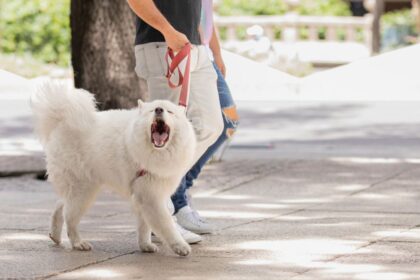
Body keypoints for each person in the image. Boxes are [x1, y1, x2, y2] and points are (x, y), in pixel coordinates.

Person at [127, 0, 238, 243]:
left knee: (212, 125)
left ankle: (161, 194)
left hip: (195, 48)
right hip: (161, 44)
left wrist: (215, 52)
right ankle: (159, 214)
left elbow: (202, 9)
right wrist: (167, 30)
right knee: (164, 135)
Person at [170, 0, 239, 235]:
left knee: (227, 122)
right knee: (193, 125)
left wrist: (217, 52)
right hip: (186, 49)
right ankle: (177, 203)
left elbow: (205, 13)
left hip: (203, 53)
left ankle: (180, 191)